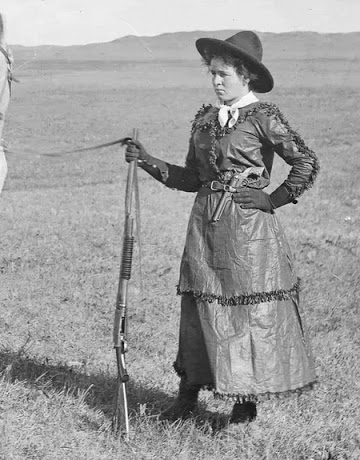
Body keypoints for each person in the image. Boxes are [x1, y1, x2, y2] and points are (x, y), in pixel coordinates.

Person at [125, 31, 319, 423]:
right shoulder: (205, 119)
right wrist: (146, 160)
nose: (215, 81)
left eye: (224, 74)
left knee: (248, 313)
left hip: (249, 232)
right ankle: (187, 396)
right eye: (212, 73)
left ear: (246, 77)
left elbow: (306, 163)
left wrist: (271, 198)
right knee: (198, 307)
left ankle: (245, 404)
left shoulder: (264, 117)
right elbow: (192, 178)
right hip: (204, 229)